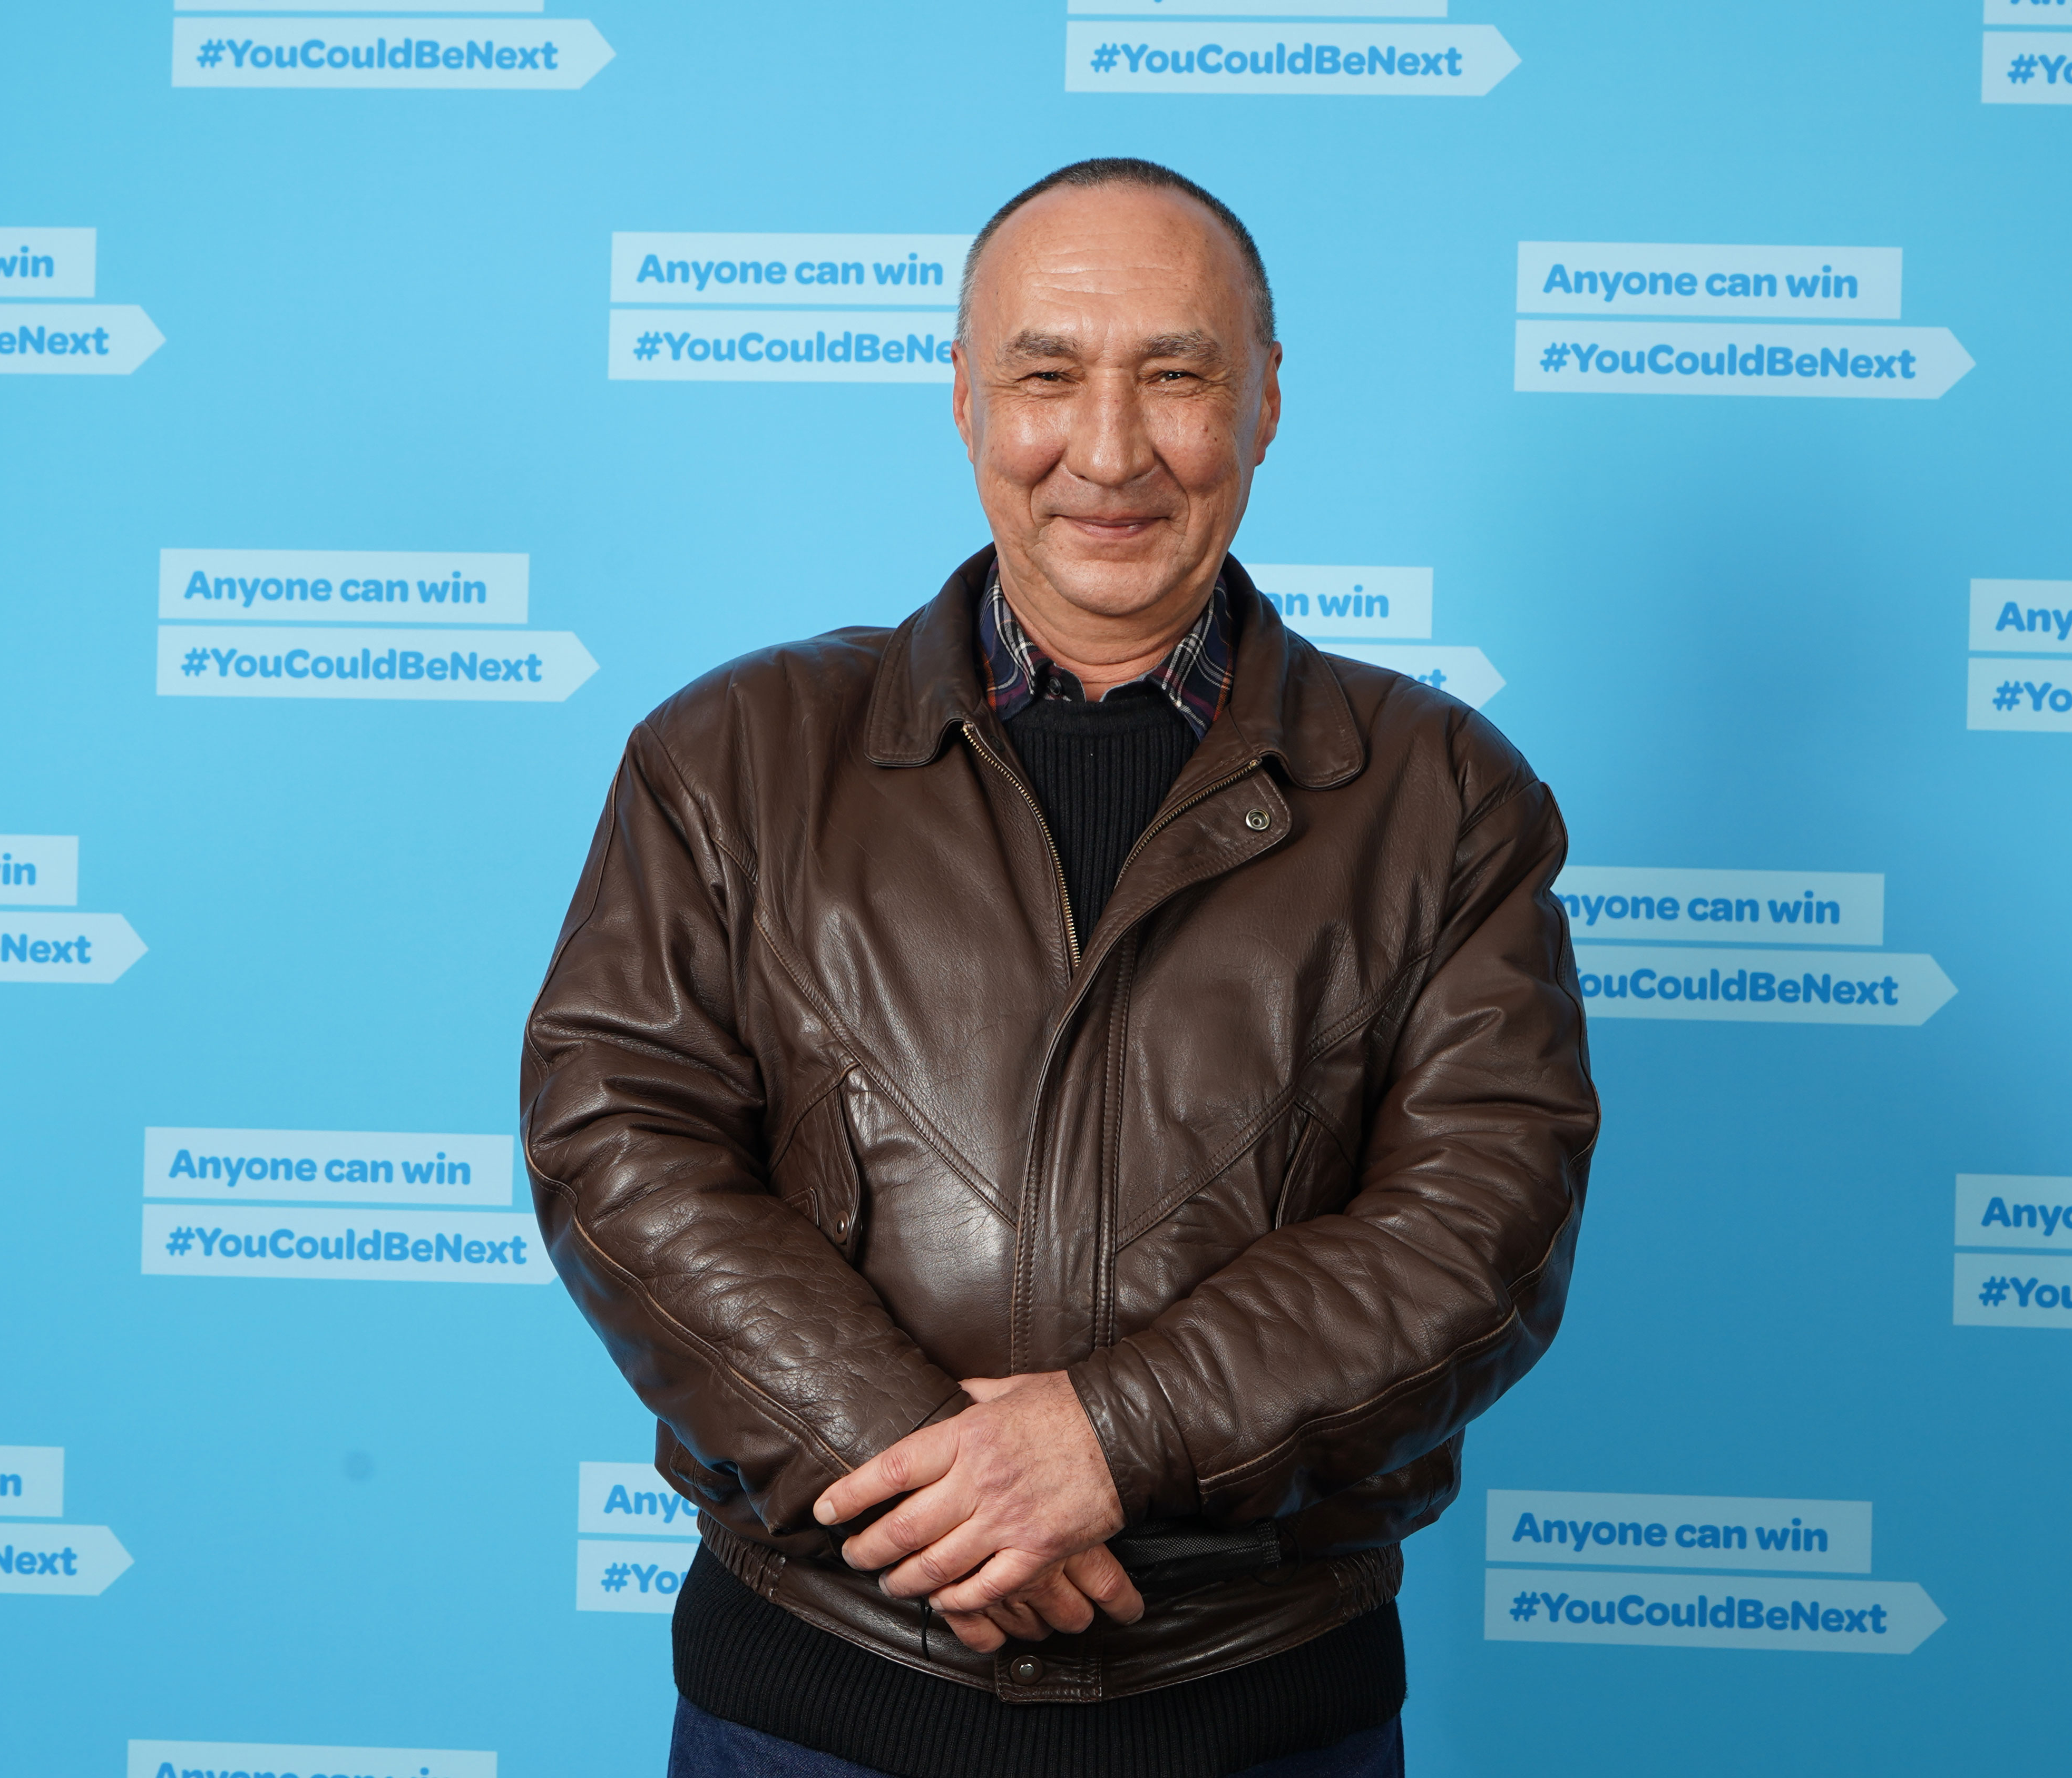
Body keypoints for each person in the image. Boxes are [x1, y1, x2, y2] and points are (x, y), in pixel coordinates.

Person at [521, 157, 1597, 1778]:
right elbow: (621, 1140)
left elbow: (1480, 1229)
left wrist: (1111, 1438)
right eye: (1046, 376)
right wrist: (929, 1466)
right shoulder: (732, 754)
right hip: (816, 1704)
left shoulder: (1445, 796)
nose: (1108, 450)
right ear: (964, 397)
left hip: (1257, 1713)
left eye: (1176, 375)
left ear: (1265, 402)